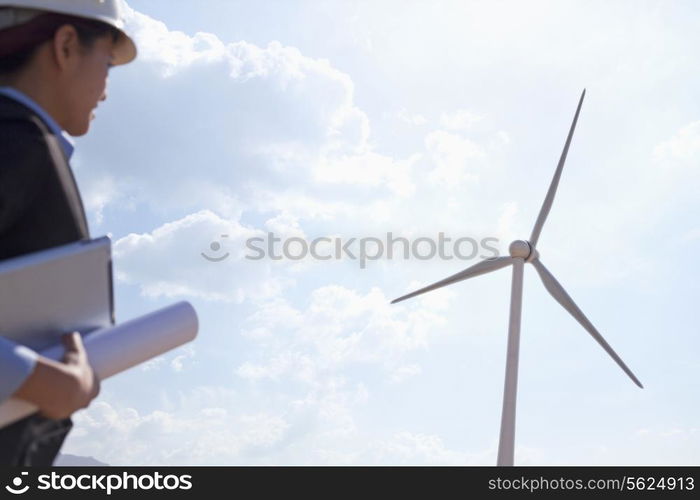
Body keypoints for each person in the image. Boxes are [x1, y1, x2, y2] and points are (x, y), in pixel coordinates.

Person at [0, 0, 136, 465]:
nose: (105, 90)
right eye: (109, 63)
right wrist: (35, 378)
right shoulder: (16, 141)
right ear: (65, 45)